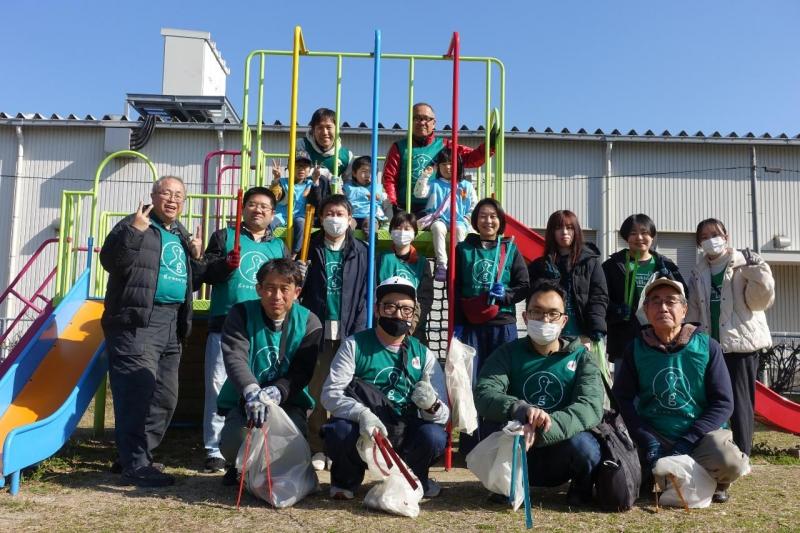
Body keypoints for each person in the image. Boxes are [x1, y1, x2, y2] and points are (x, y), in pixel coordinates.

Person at [100, 175, 203, 487]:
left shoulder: (181, 235)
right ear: (153, 195)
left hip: (173, 322)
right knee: (136, 393)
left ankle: (134, 456)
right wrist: (134, 232)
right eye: (166, 193)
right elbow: (111, 261)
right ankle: (136, 464)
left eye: (179, 195)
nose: (172, 200)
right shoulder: (135, 223)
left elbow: (190, 283)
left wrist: (197, 258)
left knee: (165, 397)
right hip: (137, 321)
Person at [612, 278, 750, 504]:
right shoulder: (636, 348)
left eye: (671, 301)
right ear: (646, 310)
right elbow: (622, 399)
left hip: (700, 436)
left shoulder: (707, 346)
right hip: (654, 436)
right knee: (618, 466)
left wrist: (690, 438)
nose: (663, 307)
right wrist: (646, 438)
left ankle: (718, 482)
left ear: (684, 310)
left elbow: (724, 403)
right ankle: (663, 474)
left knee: (729, 462)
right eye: (655, 301)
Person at [474, 280, 603, 506]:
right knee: (492, 428)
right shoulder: (506, 353)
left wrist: (544, 426)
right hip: (516, 446)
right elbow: (485, 393)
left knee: (585, 446)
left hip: (559, 448)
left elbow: (590, 407)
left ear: (564, 321)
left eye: (553, 314)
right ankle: (505, 485)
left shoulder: (582, 357)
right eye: (537, 312)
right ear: (525, 317)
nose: (545, 320)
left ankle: (581, 487)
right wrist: (519, 410)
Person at [321, 277, 450, 500]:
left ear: (413, 313)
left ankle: (415, 480)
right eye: (390, 306)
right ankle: (345, 481)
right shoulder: (354, 345)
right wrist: (362, 415)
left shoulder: (423, 354)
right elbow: (330, 393)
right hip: (364, 432)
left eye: (406, 309)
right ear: (378, 310)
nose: (398, 314)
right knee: (337, 429)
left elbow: (444, 416)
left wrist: (432, 405)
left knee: (434, 436)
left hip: (404, 430)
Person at [200, 186, 288, 473]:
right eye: (252, 204)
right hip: (226, 324)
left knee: (261, 386)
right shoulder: (225, 237)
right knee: (218, 385)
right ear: (243, 208)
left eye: (264, 206)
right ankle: (214, 448)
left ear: (273, 214)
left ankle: (261, 446)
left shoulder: (278, 246)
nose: (258, 210)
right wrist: (225, 265)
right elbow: (206, 273)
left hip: (264, 327)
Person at [216, 259, 322, 484]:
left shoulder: (310, 322)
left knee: (292, 448)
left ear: (297, 292)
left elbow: (303, 370)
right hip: (245, 400)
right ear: (259, 289)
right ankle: (237, 466)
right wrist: (251, 390)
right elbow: (235, 358)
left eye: (285, 289)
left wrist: (278, 391)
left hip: (289, 402)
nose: (277, 296)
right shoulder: (240, 314)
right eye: (270, 288)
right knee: (234, 441)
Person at [686, 218, 775, 457]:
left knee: (740, 404)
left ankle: (742, 456)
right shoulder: (699, 270)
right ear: (699, 243)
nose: (710, 239)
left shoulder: (745, 263)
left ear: (726, 236)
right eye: (704, 236)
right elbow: (694, 308)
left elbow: (760, 302)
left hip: (740, 345)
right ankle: (717, 453)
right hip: (710, 347)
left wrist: (757, 271)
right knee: (713, 401)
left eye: (715, 233)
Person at [300, 194, 370, 470]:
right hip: (318, 326)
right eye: (329, 213)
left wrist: (360, 330)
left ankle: (339, 445)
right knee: (316, 388)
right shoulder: (310, 245)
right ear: (320, 218)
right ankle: (317, 446)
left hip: (349, 328)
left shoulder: (361, 250)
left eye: (340, 213)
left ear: (350, 219)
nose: (335, 218)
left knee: (345, 388)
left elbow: (365, 294)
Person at [455, 197, 529, 453]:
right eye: (483, 216)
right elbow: (454, 288)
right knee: (471, 381)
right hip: (471, 325)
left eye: (493, 216)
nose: (488, 221)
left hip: (502, 323)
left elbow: (523, 285)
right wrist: (457, 324)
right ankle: (470, 443)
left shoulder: (510, 248)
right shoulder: (463, 249)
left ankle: (500, 440)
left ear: (501, 221)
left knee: (502, 380)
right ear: (475, 220)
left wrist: (505, 295)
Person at [382, 102, 497, 217]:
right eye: (417, 118)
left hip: (436, 209)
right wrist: (394, 204)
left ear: (434, 123)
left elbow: (471, 158)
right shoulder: (399, 147)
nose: (422, 122)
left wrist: (489, 146)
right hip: (404, 207)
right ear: (410, 121)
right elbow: (389, 178)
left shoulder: (444, 145)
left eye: (426, 119)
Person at [602, 214, 687, 364]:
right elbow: (600, 299)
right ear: (626, 238)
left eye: (644, 233)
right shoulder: (613, 266)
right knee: (626, 385)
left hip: (661, 337)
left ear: (652, 236)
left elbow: (684, 296)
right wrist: (616, 312)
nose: (639, 237)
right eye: (633, 233)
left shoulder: (665, 265)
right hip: (625, 339)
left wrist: (670, 277)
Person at [528, 210, 608, 343]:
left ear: (576, 231)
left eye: (569, 228)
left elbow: (599, 297)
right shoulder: (539, 266)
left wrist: (596, 327)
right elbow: (531, 299)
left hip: (582, 334)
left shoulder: (591, 262)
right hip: (549, 333)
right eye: (558, 228)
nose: (564, 232)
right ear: (551, 232)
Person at [414, 148, 475, 282]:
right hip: (439, 218)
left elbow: (473, 206)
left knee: (459, 230)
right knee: (437, 228)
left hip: (459, 220)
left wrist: (466, 219)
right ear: (438, 167)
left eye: (451, 163)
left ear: (458, 165)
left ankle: (458, 263)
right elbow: (419, 193)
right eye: (443, 164)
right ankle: (442, 265)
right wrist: (424, 177)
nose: (448, 167)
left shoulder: (466, 186)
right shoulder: (434, 184)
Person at [378, 210, 434, 343]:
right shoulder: (380, 259)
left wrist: (411, 326)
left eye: (407, 228)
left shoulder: (422, 263)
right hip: (383, 328)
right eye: (397, 228)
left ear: (414, 234)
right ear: (391, 232)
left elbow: (425, 298)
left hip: (413, 330)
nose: (402, 232)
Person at [270, 152, 321, 257]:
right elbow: (275, 196)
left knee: (301, 223)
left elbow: (317, 200)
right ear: (289, 167)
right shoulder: (282, 182)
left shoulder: (310, 184)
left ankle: (294, 254)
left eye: (305, 166)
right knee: (269, 221)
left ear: (309, 169)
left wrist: (315, 182)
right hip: (282, 215)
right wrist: (275, 181)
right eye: (297, 166)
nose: (301, 169)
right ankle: (267, 245)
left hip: (300, 216)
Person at [297, 107, 354, 193]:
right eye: (320, 128)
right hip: (304, 198)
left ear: (337, 129)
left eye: (329, 127)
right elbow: (297, 173)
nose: (325, 132)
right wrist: (328, 175)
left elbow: (350, 185)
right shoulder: (302, 144)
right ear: (313, 130)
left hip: (330, 201)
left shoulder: (346, 155)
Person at [343, 155, 387, 231]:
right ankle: (347, 241)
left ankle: (369, 242)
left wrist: (377, 197)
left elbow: (384, 199)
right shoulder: (348, 187)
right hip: (352, 216)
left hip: (370, 216)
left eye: (371, 172)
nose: (367, 175)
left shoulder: (377, 187)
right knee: (346, 225)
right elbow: (341, 198)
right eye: (364, 172)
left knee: (371, 225)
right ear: (354, 173)